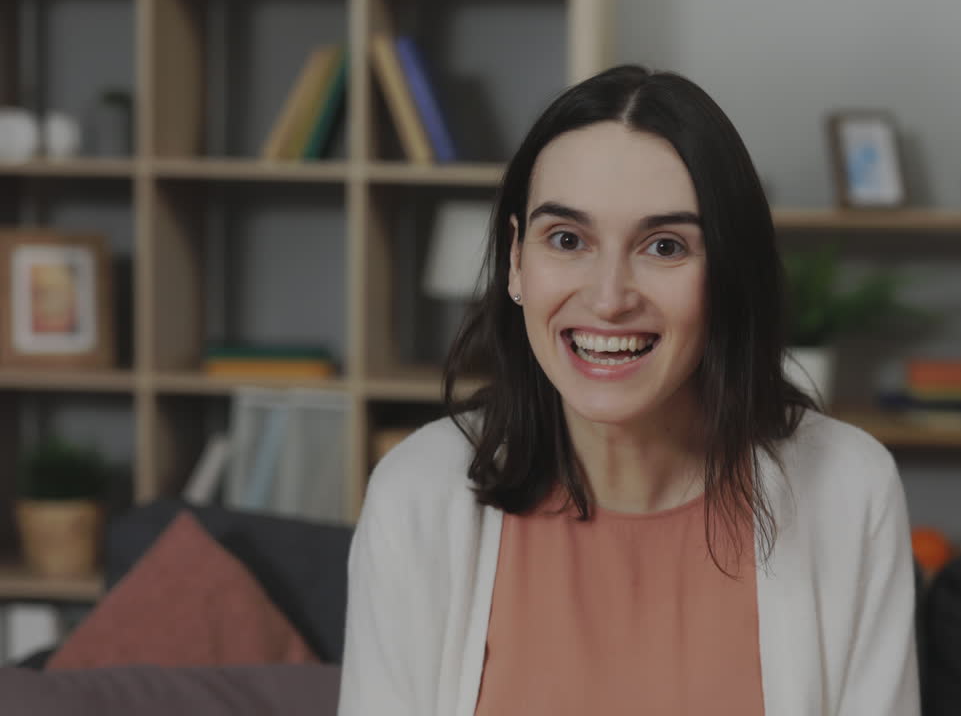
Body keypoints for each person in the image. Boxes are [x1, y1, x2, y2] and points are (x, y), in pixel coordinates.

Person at [337, 64, 920, 716]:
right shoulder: (416, 495)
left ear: (727, 273)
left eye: (664, 246)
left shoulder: (849, 490)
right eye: (567, 239)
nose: (609, 298)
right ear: (517, 262)